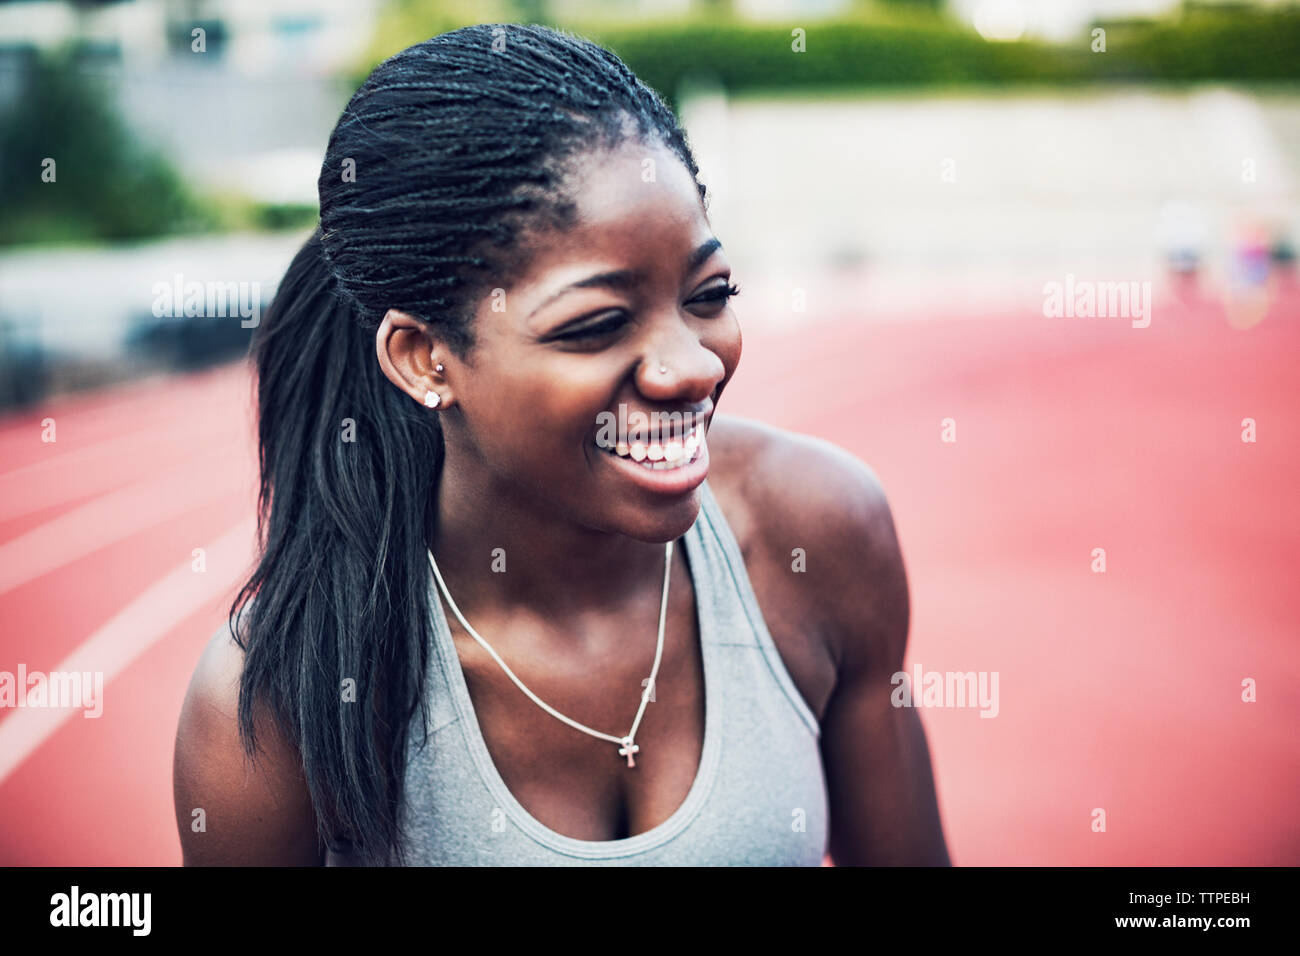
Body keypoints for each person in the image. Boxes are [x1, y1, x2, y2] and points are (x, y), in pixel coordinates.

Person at [172, 23, 949, 866]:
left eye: (709, 293)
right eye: (597, 325)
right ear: (424, 358)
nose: (690, 368)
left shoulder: (819, 533)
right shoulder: (282, 696)